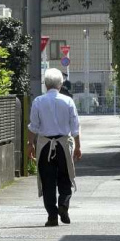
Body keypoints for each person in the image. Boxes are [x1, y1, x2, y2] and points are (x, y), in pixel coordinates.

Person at [27, 69, 82, 227]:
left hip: (45, 146)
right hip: (63, 144)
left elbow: (33, 127)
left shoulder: (38, 101)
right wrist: (78, 146)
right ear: (61, 84)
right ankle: (63, 205)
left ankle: (52, 215)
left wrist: (30, 145)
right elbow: (75, 127)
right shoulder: (68, 101)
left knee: (47, 180)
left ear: (45, 84)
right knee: (65, 177)